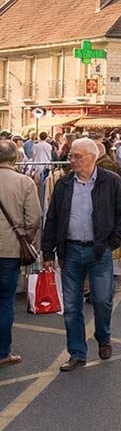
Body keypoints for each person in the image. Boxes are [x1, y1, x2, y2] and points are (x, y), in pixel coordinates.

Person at [41, 138, 121, 371]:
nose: (72, 160)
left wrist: (111, 242)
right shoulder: (63, 184)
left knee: (102, 301)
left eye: (77, 156)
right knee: (71, 306)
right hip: (70, 250)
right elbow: (52, 219)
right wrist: (47, 251)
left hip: (99, 250)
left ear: (92, 157)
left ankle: (103, 336)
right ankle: (77, 353)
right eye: (71, 156)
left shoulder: (110, 181)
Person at [0, 139, 41, 367]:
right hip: (10, 250)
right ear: (14, 158)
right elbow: (33, 218)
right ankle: (3, 352)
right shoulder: (24, 182)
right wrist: (26, 237)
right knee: (5, 301)